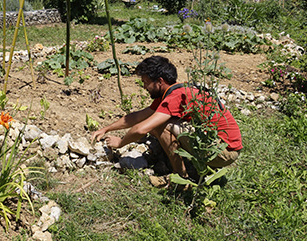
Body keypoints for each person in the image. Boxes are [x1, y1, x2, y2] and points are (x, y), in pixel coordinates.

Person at [90, 55, 242, 186]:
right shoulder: (174, 92)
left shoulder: (175, 97)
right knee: (157, 122)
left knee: (160, 125)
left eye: (145, 82)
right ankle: (190, 169)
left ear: (159, 81)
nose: (144, 87)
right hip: (223, 146)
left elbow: (140, 129)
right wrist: (106, 129)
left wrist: (120, 143)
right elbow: (136, 117)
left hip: (223, 152)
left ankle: (180, 179)